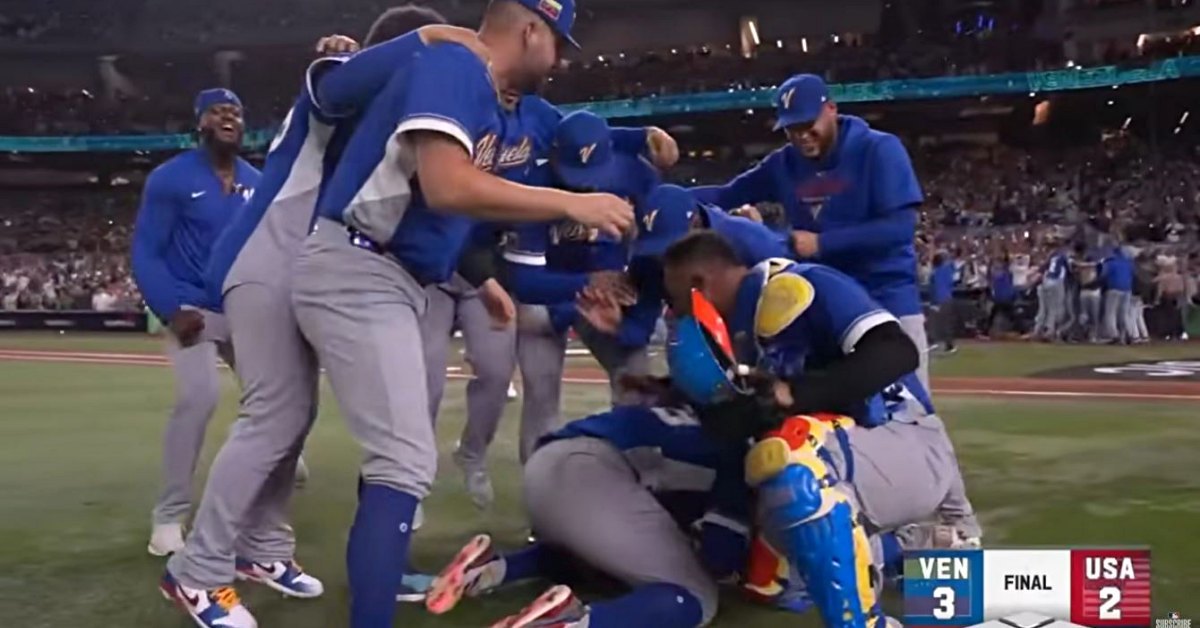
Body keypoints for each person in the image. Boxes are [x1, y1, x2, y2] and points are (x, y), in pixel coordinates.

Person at [288, 1, 634, 625]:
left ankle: (383, 582)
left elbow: (566, 137)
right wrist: (568, 204)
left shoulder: (500, 97)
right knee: (402, 458)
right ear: (530, 30)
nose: (558, 61)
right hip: (359, 263)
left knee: (400, 454)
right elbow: (447, 185)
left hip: (400, 273)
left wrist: (643, 141)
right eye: (557, 44)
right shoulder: (455, 66)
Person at [158, 11, 488, 628]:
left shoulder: (392, 99)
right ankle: (196, 571)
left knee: (292, 416)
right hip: (266, 253)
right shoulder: (350, 72)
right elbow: (338, 83)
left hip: (301, 260)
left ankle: (262, 548)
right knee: (272, 416)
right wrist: (417, 41)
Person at [658, 231, 980, 628]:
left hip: (906, 444)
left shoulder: (801, 287)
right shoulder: (739, 337)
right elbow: (732, 430)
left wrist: (794, 393)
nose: (674, 313)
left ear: (699, 284)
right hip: (850, 458)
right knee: (770, 578)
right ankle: (911, 546)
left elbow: (897, 351)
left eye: (675, 299)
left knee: (790, 460)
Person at [690, 73, 930, 392]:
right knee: (830, 409)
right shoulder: (784, 164)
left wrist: (822, 243)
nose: (802, 136)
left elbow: (899, 229)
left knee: (905, 407)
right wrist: (667, 200)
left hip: (887, 299)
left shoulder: (878, 149)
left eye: (808, 124)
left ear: (831, 109)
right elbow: (726, 194)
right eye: (792, 128)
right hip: (825, 307)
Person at [131, 87, 260, 558]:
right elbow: (146, 251)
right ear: (200, 123)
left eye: (236, 111)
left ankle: (277, 464)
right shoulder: (171, 178)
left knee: (280, 398)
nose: (228, 118)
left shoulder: (257, 181)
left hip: (243, 306)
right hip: (192, 308)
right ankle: (169, 516)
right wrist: (171, 308)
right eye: (217, 111)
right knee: (199, 398)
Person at [929, 251, 957, 353]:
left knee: (935, 323)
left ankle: (937, 343)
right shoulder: (947, 269)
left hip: (939, 299)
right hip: (946, 298)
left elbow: (934, 288)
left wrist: (934, 302)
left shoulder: (934, 273)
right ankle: (947, 345)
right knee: (945, 323)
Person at [984, 256, 1017, 338]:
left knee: (1011, 314)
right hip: (999, 299)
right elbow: (989, 276)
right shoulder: (994, 275)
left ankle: (1021, 330)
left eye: (998, 264)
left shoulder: (1006, 273)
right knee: (993, 313)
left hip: (1007, 298)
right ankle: (986, 331)